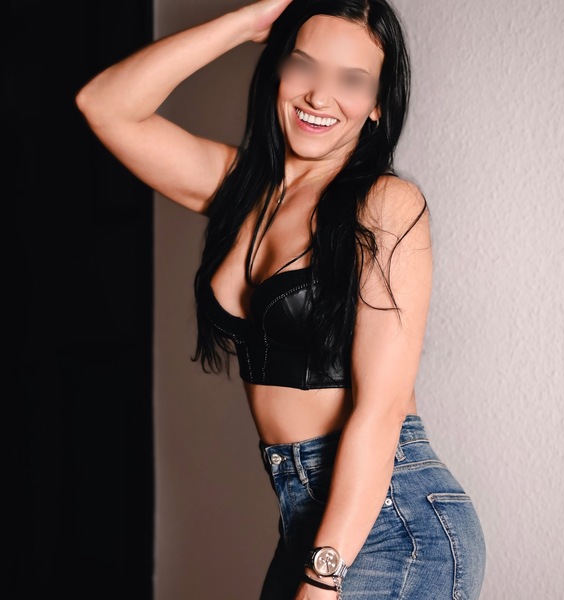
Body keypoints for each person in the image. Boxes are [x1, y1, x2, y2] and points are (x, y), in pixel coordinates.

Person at [76, 0, 486, 597]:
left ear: (378, 105)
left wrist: (322, 576)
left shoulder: (384, 206)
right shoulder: (241, 190)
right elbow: (105, 105)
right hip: (304, 515)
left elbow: (380, 412)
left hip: (390, 522)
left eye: (352, 80)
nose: (320, 96)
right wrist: (246, 23)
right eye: (304, 65)